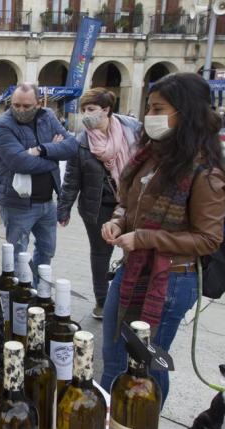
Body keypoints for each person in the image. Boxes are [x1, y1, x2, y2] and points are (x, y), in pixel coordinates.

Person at [100, 73, 225, 404]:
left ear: (185, 112)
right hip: (132, 269)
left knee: (147, 366)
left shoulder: (205, 172)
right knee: (115, 358)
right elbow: (128, 203)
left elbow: (208, 239)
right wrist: (118, 222)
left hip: (171, 281)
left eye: (158, 108)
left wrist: (146, 238)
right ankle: (107, 425)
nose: (150, 115)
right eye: (149, 107)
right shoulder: (150, 156)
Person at [58, 88, 141, 319]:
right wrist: (64, 209)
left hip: (132, 204)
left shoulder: (132, 131)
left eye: (91, 109)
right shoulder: (81, 141)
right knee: (100, 253)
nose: (86, 114)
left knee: (133, 250)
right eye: (84, 110)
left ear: (106, 110)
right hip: (96, 206)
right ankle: (102, 301)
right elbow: (72, 179)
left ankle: (129, 297)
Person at [0, 82, 78, 281]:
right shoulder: (3, 125)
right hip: (17, 203)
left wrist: (41, 150)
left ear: (38, 104)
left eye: (26, 106)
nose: (20, 110)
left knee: (47, 251)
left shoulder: (47, 116)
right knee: (18, 256)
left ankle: (40, 290)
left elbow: (72, 145)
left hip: (47, 202)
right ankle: (20, 296)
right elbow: (19, 162)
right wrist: (54, 158)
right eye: (16, 105)